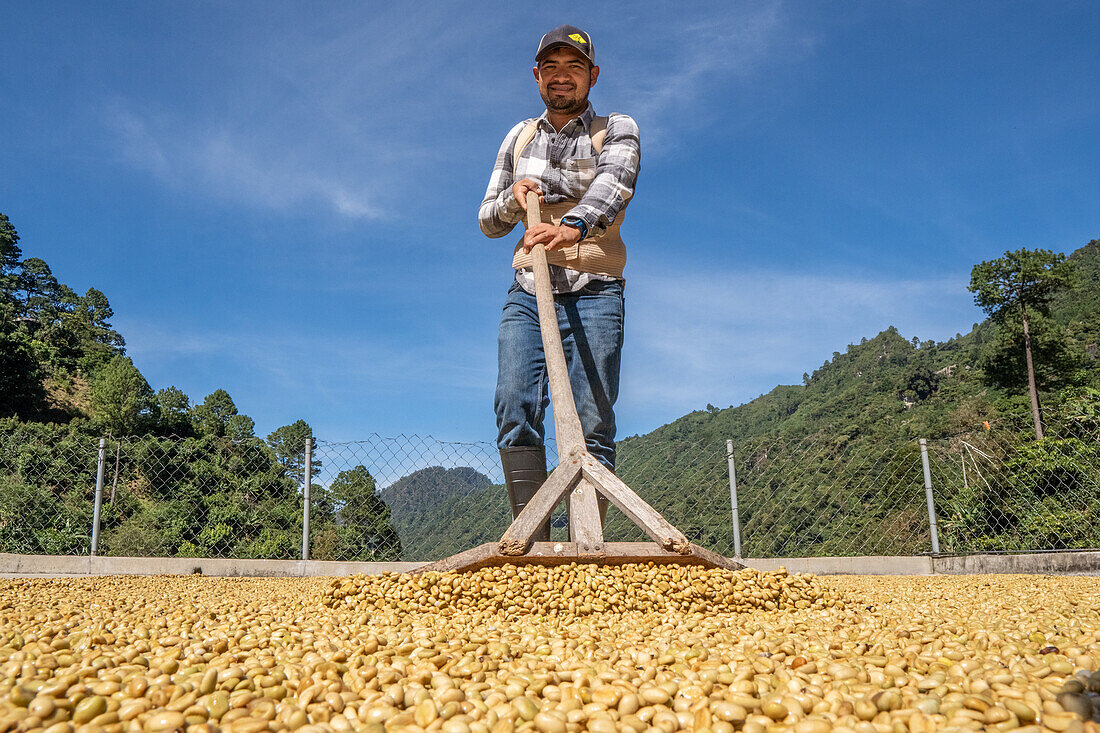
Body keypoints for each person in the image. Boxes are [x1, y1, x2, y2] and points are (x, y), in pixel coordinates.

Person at [478, 24, 641, 539]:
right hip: (529, 289)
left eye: (573, 68)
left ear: (593, 75)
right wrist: (514, 197)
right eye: (551, 68)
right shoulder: (519, 136)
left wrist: (567, 225)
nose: (561, 78)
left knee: (591, 417)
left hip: (595, 288)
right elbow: (488, 219)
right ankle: (533, 544)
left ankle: (586, 542)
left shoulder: (616, 128)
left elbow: (613, 188)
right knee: (514, 402)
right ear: (537, 76)